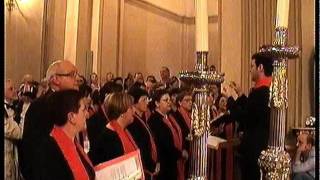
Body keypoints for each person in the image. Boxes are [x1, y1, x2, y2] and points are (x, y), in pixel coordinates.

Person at [21, 60, 79, 179]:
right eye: (72, 74)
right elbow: (31, 149)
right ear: (55, 79)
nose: (77, 79)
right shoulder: (40, 106)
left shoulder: (70, 104)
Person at [225, 53, 274, 180]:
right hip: (264, 146)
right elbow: (253, 111)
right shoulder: (270, 89)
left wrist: (230, 99)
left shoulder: (260, 92)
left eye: (252, 66)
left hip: (254, 150)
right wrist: (241, 95)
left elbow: (245, 117)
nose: (250, 69)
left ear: (260, 67)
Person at [34, 90, 95, 179]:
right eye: (83, 110)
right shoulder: (50, 152)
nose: (87, 114)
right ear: (71, 117)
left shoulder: (74, 141)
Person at [147, 89, 188, 180]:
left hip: (173, 162)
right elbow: (164, 144)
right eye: (165, 100)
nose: (169, 102)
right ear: (157, 103)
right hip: (164, 164)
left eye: (169, 100)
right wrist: (180, 153)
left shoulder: (169, 116)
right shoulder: (154, 120)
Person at [88, 92, 138, 165]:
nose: (134, 110)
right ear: (122, 112)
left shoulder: (124, 130)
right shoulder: (109, 137)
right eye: (131, 108)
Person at [127, 87, 160, 179]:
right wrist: (151, 165)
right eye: (143, 100)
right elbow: (140, 146)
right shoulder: (133, 122)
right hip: (144, 167)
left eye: (147, 99)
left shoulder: (142, 118)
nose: (147, 102)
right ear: (135, 102)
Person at [5, 79, 23, 180]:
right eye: (10, 89)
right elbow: (18, 133)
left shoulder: (16, 107)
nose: (15, 91)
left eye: (14, 88)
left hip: (14, 159)